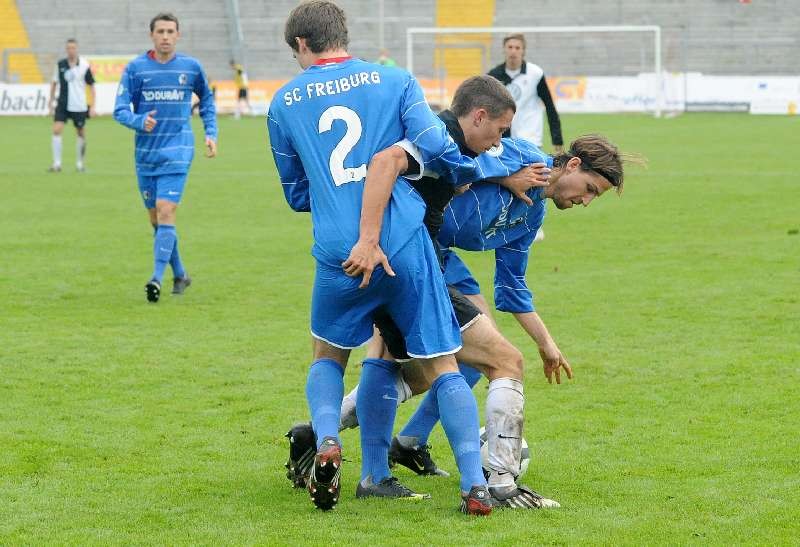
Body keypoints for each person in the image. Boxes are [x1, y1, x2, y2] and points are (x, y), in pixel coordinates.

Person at [286, 75, 563, 510]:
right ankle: (489, 484)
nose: (499, 142)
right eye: (499, 130)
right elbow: (390, 162)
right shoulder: (434, 137)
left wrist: (502, 176)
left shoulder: (451, 144)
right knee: (490, 360)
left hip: (403, 259)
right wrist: (370, 239)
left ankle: (355, 456)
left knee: (386, 358)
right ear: (478, 116)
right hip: (410, 262)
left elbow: (459, 167)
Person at [268, 1, 491, 515]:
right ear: (343, 34)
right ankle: (474, 485)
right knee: (442, 364)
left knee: (329, 357)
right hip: (404, 243)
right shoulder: (394, 79)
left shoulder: (283, 103)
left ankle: (328, 440)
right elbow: (438, 143)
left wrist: (333, 194)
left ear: (302, 45)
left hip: (339, 252)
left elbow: (296, 193)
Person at [332, 133, 630, 509]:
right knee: (500, 359)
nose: (585, 201)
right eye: (589, 189)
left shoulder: (533, 213)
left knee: (426, 360)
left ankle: (326, 435)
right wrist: (504, 177)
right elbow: (449, 162)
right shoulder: (522, 155)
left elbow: (511, 287)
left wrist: (546, 343)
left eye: (593, 197)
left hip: (433, 260)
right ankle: (500, 483)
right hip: (406, 250)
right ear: (572, 165)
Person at [113, 12, 217, 303]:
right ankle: (181, 273)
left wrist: (211, 133)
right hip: (146, 156)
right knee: (157, 221)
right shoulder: (136, 69)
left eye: (171, 31)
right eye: (161, 31)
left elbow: (207, 101)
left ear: (178, 35)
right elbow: (119, 110)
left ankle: (156, 279)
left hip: (178, 150)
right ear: (152, 35)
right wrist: (138, 120)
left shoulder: (191, 67)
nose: (166, 36)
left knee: (166, 211)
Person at [487, 33, 563, 153]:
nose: (513, 51)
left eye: (517, 48)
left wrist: (557, 139)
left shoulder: (535, 74)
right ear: (504, 49)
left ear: (523, 51)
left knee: (534, 171)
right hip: (502, 139)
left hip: (530, 138)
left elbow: (549, 106)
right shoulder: (493, 76)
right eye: (510, 47)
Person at [48, 39, 95, 173]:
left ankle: (80, 164)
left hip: (79, 105)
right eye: (68, 48)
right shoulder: (60, 64)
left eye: (73, 48)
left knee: (81, 133)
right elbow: (54, 83)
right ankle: (57, 164)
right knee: (56, 130)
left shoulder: (84, 65)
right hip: (62, 103)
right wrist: (50, 102)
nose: (71, 50)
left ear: (77, 49)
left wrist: (92, 106)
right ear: (66, 49)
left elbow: (91, 85)